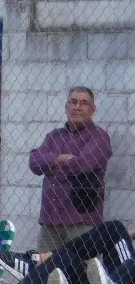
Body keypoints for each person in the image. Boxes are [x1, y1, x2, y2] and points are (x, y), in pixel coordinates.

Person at [29, 86, 111, 253]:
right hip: (50, 220)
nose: (77, 107)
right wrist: (60, 158)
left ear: (92, 110)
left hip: (81, 220)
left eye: (83, 103)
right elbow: (34, 162)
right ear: (66, 107)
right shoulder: (54, 136)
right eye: (73, 102)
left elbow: (82, 165)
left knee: (83, 273)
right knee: (47, 273)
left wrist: (50, 167)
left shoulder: (99, 136)